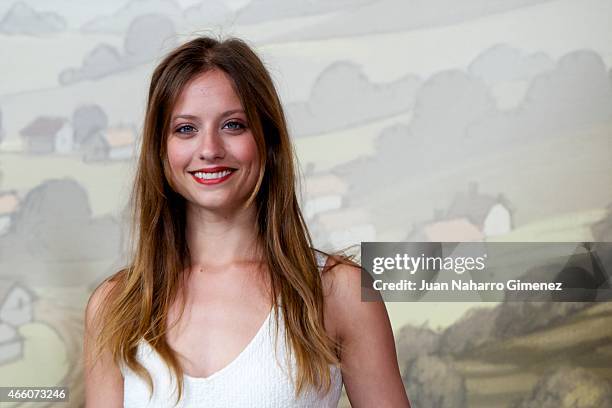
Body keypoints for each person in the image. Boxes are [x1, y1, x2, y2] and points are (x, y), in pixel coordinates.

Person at [83, 35, 410, 408]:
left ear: (268, 141)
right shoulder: (115, 306)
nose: (209, 150)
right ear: (161, 151)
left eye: (233, 125)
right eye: (185, 129)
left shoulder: (338, 293)